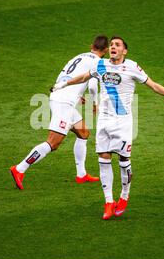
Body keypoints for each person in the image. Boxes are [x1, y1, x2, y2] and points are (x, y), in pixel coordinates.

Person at [52, 36, 164, 219]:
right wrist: (64, 84)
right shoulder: (100, 65)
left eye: (117, 45)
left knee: (123, 161)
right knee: (103, 158)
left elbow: (153, 86)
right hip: (104, 120)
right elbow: (84, 77)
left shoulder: (132, 67)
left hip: (123, 122)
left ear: (124, 51)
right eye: (111, 44)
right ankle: (109, 202)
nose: (113, 46)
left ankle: (124, 196)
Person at [9, 35, 109, 190]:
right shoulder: (98, 62)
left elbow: (66, 76)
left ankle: (81, 175)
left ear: (92, 46)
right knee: (53, 143)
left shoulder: (79, 56)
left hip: (60, 96)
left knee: (83, 132)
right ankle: (19, 169)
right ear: (107, 50)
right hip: (64, 103)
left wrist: (78, 95)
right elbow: (93, 86)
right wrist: (95, 104)